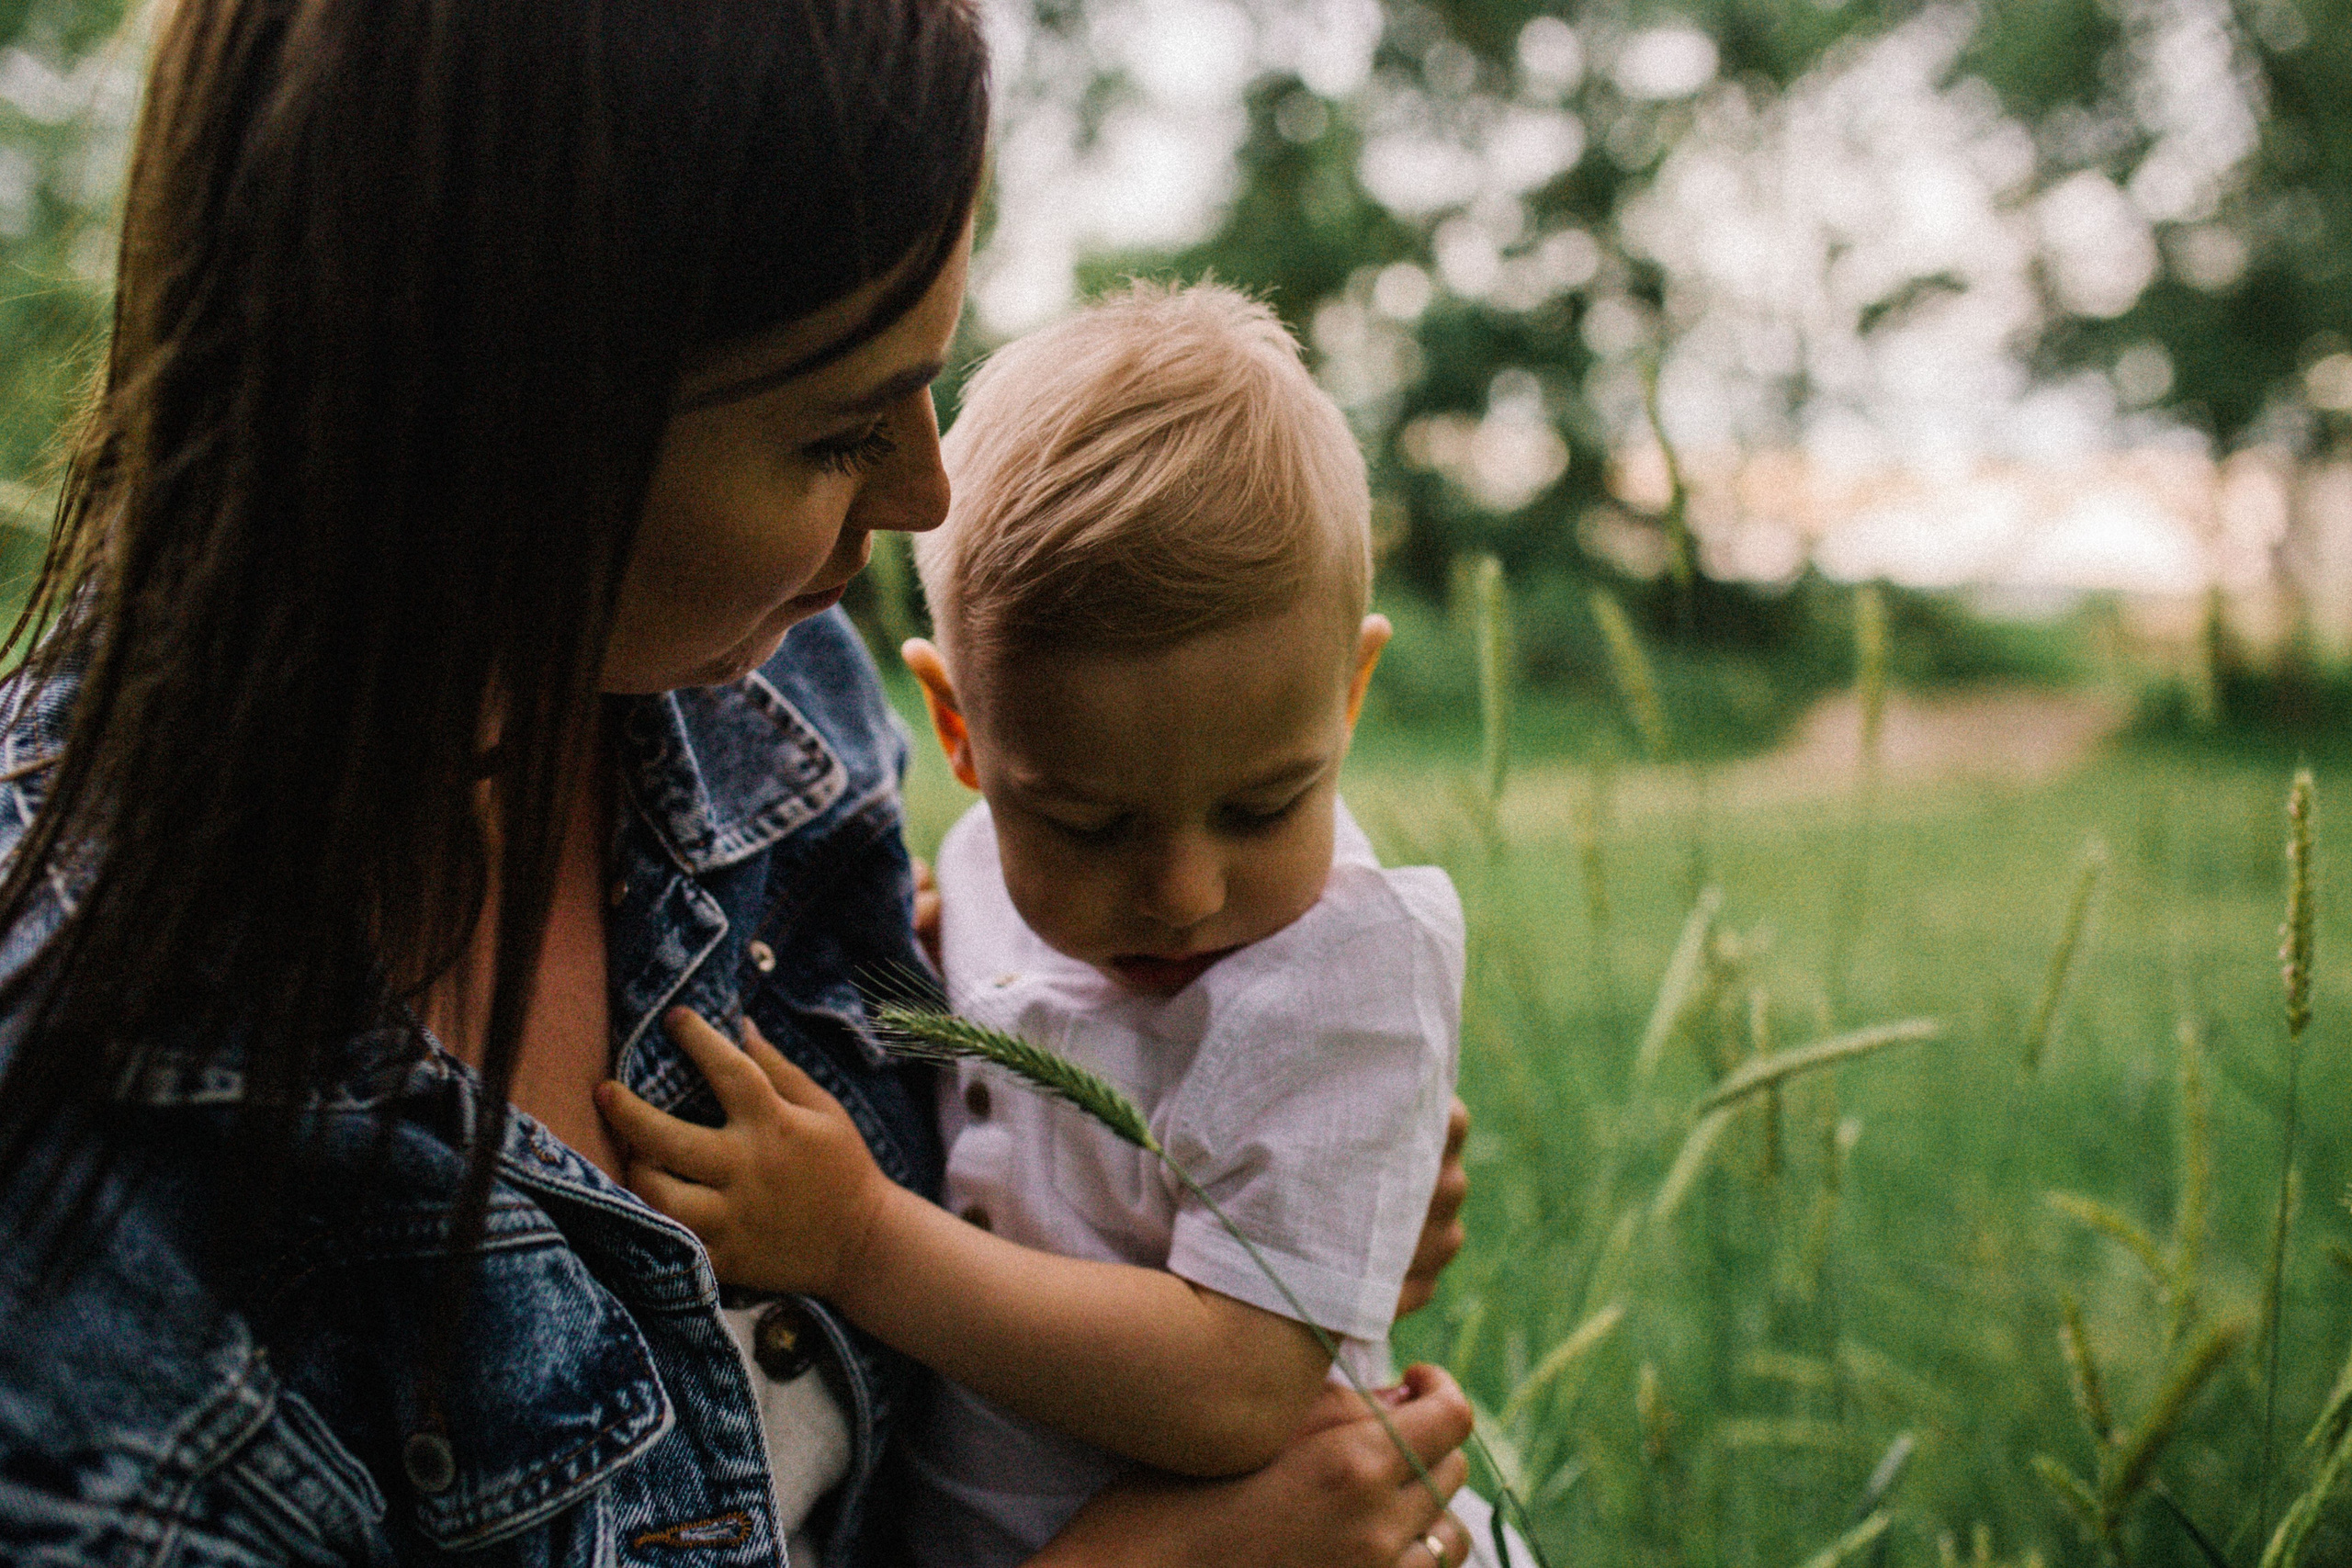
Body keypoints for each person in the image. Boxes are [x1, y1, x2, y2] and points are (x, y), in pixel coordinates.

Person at [0, 2, 1476, 1565]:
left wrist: (1255, 1194)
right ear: (506, 412)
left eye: (929, 380)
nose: (928, 495)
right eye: (838, 433)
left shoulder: (764, 696)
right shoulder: (91, 1139)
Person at [598, 281, 1496, 1568]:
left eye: (1262, 805)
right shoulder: (971, 876)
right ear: (961, 732)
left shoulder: (1347, 972)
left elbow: (1240, 1384)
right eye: (1086, 823)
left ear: (1350, 693)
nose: (1180, 893)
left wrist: (859, 1237)